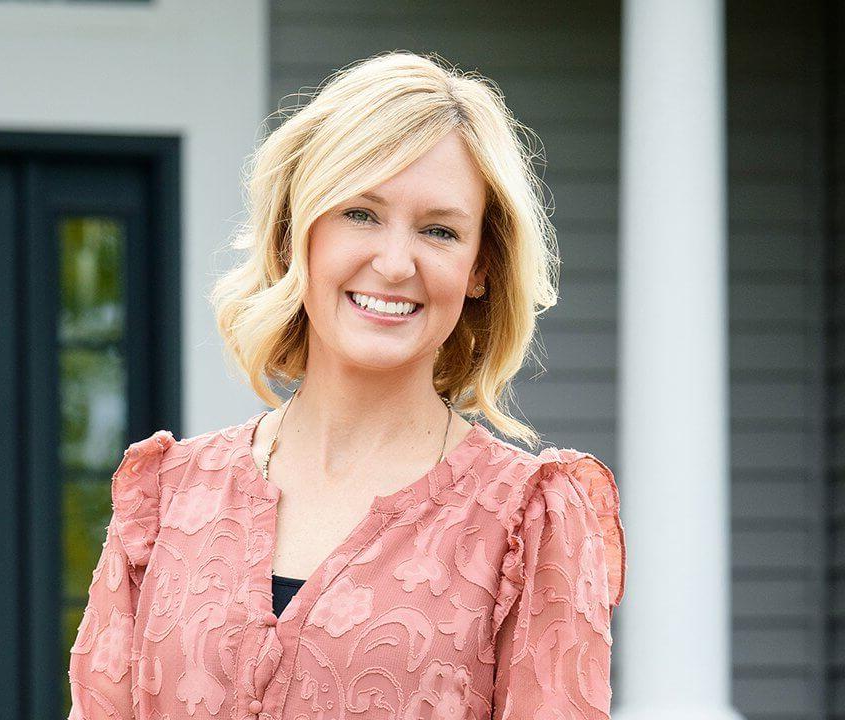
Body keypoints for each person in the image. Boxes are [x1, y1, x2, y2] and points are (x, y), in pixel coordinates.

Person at [68, 50, 626, 720]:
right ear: (296, 231)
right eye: (360, 213)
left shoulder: (526, 522)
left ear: (480, 267)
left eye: (439, 230)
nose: (394, 263)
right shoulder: (166, 494)